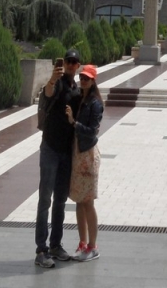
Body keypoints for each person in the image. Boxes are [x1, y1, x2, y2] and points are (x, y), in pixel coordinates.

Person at [34, 49, 82, 268]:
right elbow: (48, 93)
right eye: (68, 61)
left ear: (78, 65)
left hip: (66, 152)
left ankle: (55, 245)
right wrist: (52, 78)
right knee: (45, 199)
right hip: (50, 149)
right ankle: (41, 249)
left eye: (74, 62)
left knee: (60, 200)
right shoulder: (58, 83)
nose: (70, 65)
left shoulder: (76, 89)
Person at [68, 64, 103, 262]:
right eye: (81, 78)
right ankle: (82, 243)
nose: (83, 81)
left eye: (87, 78)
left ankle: (93, 246)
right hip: (78, 152)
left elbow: (92, 131)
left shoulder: (95, 103)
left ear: (93, 80)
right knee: (79, 200)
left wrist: (74, 123)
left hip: (87, 155)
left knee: (88, 201)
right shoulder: (80, 98)